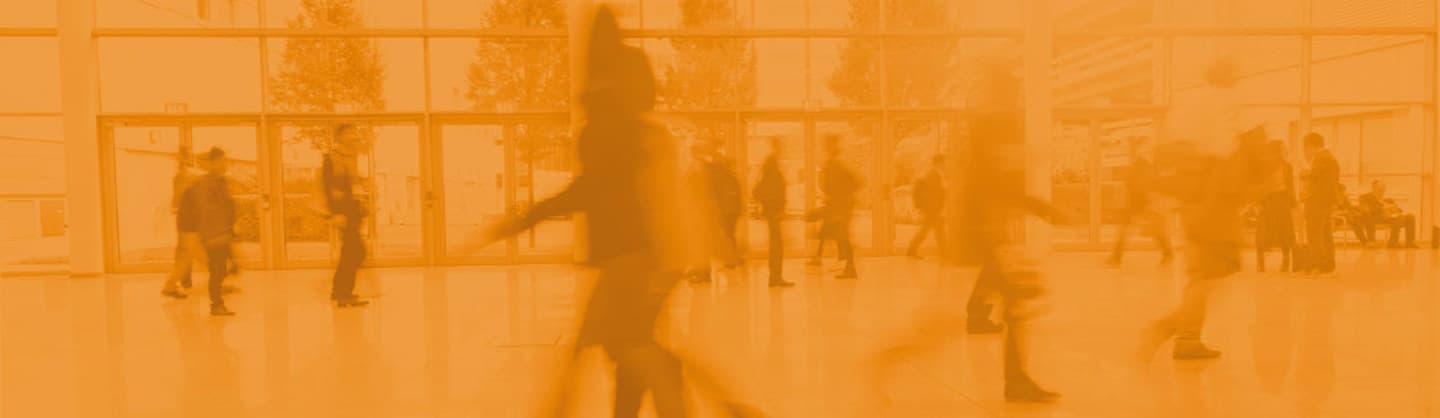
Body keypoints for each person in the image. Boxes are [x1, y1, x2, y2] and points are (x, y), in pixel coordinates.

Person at [474, 7, 761, 417]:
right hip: (647, 253)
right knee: (625, 349)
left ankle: (721, 407)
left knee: (622, 349)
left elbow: (590, 188)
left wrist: (524, 219)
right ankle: (715, 405)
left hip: (627, 257)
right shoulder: (637, 113)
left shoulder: (604, 117)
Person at [872, 61, 1061, 403]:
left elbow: (998, 181)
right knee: (943, 323)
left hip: (984, 235)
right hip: (983, 237)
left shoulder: (988, 126)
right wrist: (1042, 209)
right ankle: (885, 362)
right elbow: (999, 183)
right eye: (1010, 90)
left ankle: (1016, 380)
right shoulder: (995, 125)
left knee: (1014, 306)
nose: (1014, 96)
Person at [1140, 58, 1278, 361]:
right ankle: (1170, 329)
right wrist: (1263, 179)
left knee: (1201, 273)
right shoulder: (1233, 104)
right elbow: (1252, 149)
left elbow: (1170, 152)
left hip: (1189, 200)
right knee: (1210, 274)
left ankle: (1187, 339)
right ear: (1229, 75)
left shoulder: (1188, 105)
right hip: (1215, 199)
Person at [178, 147, 238, 316]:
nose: (225, 164)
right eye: (222, 161)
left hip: (223, 232)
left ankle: (218, 299)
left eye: (225, 160)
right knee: (217, 270)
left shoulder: (220, 181)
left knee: (222, 269)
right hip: (214, 234)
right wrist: (211, 234)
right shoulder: (205, 184)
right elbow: (207, 210)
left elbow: (225, 206)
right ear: (213, 163)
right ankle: (216, 304)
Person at [322, 124, 370, 308]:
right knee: (356, 251)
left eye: (354, 132)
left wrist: (362, 203)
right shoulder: (332, 159)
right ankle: (342, 292)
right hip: (343, 214)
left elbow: (352, 186)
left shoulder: (351, 158)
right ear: (339, 137)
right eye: (349, 132)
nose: (353, 135)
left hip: (353, 212)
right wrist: (336, 213)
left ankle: (342, 292)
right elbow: (329, 188)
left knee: (350, 252)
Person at [1106, 136, 1174, 266]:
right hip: (1137, 203)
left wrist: (1149, 202)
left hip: (1141, 202)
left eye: (1131, 148)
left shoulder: (1142, 164)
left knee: (1153, 230)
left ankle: (1167, 253)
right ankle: (1116, 257)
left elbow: (1143, 185)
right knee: (1130, 230)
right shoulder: (1137, 165)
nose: (1129, 151)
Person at [685, 142, 744, 283]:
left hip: (703, 209)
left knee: (705, 240)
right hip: (708, 209)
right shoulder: (707, 168)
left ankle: (704, 271)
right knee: (712, 239)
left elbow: (702, 190)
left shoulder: (701, 167)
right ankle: (703, 269)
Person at [810, 134, 860, 279]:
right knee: (841, 237)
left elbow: (853, 182)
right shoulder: (834, 162)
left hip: (840, 207)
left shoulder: (837, 163)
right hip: (839, 206)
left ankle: (850, 268)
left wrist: (840, 195)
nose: (826, 148)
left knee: (843, 237)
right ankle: (849, 267)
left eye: (828, 145)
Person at [753, 136, 794, 287]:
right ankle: (775, 277)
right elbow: (774, 187)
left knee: (776, 244)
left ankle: (775, 277)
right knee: (776, 245)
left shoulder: (771, 162)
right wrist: (778, 207)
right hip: (773, 210)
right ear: (777, 146)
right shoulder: (771, 162)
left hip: (773, 209)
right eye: (781, 145)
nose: (783, 149)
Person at [1301, 133, 1340, 274]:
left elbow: (1311, 176)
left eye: (1305, 147)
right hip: (1326, 202)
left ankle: (1316, 265)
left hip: (1316, 202)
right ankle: (1328, 264)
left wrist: (1304, 173)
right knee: (1325, 234)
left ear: (1310, 145)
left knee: (1314, 234)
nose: (1305, 151)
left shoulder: (1321, 158)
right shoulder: (1331, 158)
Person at [1255, 141, 1296, 272]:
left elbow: (1290, 185)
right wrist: (1259, 202)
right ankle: (1260, 261)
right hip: (1268, 201)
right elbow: (1260, 186)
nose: (1283, 152)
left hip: (1282, 201)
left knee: (1284, 231)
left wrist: (1293, 202)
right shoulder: (1264, 167)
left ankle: (1286, 260)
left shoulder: (1287, 166)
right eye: (1281, 149)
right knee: (1263, 232)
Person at [905, 154, 947, 259]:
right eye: (944, 162)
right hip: (932, 209)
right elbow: (933, 194)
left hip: (932, 209)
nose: (946, 164)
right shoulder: (933, 175)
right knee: (935, 231)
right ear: (939, 162)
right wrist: (935, 209)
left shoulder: (934, 174)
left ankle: (912, 250)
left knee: (931, 231)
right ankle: (945, 254)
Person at [1358, 180, 1418, 248]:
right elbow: (1366, 210)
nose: (1382, 191)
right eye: (1380, 188)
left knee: (1410, 217)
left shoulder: (1388, 200)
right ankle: (1393, 242)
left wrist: (1394, 209)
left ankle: (1410, 242)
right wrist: (1383, 208)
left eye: (1383, 189)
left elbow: (1399, 210)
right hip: (1376, 217)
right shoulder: (1365, 197)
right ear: (1374, 188)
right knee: (1398, 218)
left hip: (1391, 217)